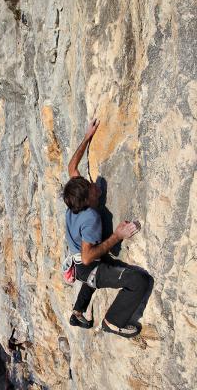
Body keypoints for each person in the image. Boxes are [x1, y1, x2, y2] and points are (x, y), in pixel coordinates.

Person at [62, 118, 150, 338]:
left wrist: (87, 136)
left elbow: (71, 166)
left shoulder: (76, 194)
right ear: (86, 202)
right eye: (93, 190)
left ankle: (78, 311)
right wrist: (117, 236)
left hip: (80, 263)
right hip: (88, 267)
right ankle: (113, 321)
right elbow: (89, 256)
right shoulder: (91, 218)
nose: (95, 186)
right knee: (138, 281)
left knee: (94, 270)